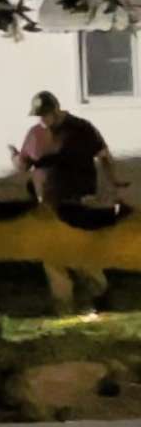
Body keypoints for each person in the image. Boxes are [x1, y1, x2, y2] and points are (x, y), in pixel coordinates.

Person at [9, 90, 129, 313]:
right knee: (52, 257)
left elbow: (103, 155)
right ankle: (63, 307)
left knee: (78, 253)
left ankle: (101, 294)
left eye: (45, 115)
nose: (43, 120)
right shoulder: (35, 134)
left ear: (56, 110)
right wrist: (15, 157)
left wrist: (114, 181)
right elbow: (24, 165)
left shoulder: (81, 129)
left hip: (77, 200)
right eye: (39, 116)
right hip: (47, 204)